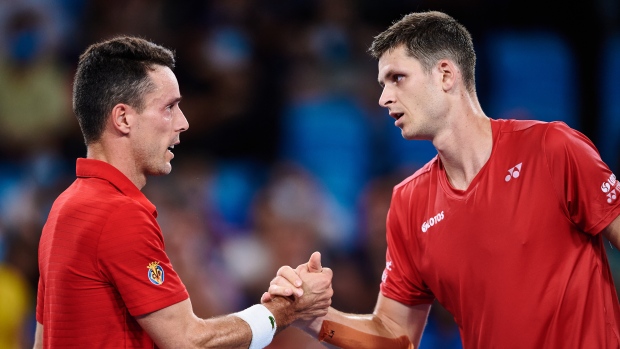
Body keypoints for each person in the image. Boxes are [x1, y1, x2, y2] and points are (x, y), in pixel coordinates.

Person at [263, 10, 620, 348]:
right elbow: (396, 336)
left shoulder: (552, 149)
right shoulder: (408, 202)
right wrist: (312, 318)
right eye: (382, 83)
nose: (384, 97)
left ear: (446, 75)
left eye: (397, 79)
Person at [34, 35, 333, 349]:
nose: (184, 122)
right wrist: (282, 311)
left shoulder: (63, 209)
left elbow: (43, 342)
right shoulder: (119, 213)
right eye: (169, 108)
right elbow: (188, 341)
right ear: (123, 118)